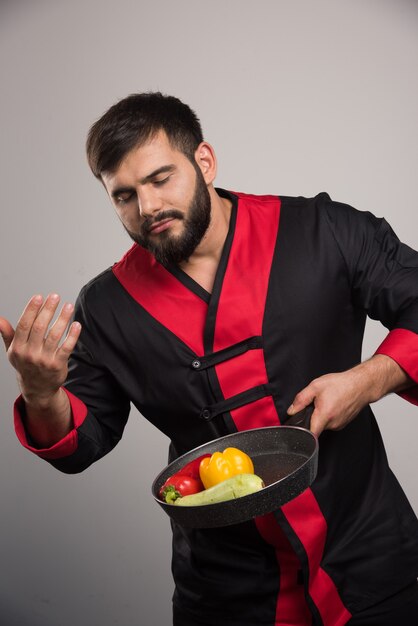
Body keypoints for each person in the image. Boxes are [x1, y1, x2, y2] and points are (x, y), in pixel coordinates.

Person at [1, 92, 418, 626]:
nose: (147, 208)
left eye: (160, 179)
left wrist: (369, 379)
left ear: (204, 162)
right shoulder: (106, 307)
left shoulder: (325, 231)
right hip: (226, 594)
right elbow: (81, 440)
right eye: (124, 196)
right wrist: (40, 393)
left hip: (370, 562)